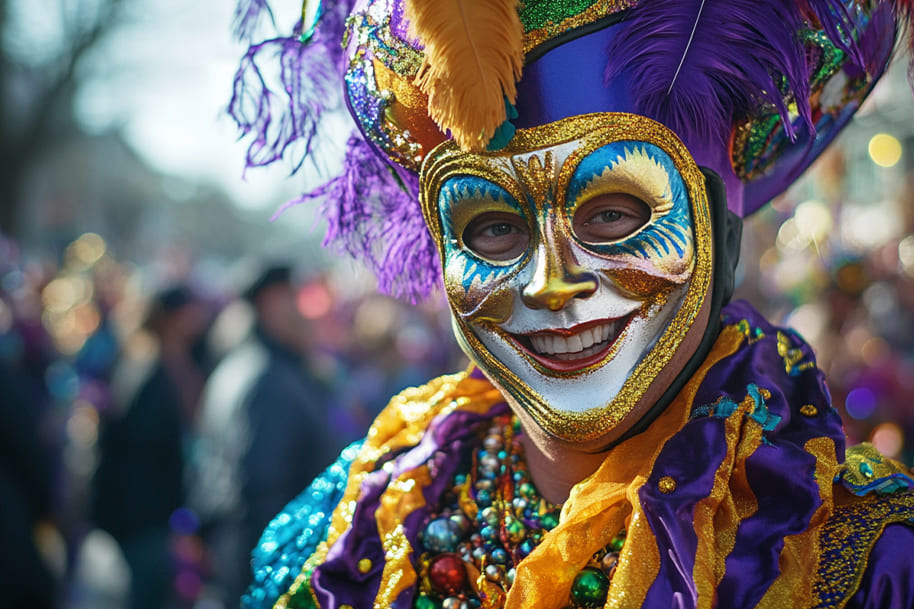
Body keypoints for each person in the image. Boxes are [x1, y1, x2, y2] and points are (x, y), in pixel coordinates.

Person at [229, 1, 914, 608]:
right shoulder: (359, 533)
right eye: (494, 227)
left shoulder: (871, 559)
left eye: (613, 214)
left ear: (720, 233)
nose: (548, 285)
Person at [191, 264, 341, 607]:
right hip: (266, 571)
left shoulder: (250, 368)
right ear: (273, 303)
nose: (311, 311)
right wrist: (276, 580)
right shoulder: (268, 381)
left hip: (243, 561)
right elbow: (260, 489)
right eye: (298, 297)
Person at [92, 284, 210, 609]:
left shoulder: (173, 361)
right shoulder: (145, 367)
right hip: (145, 514)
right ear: (172, 317)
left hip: (156, 511)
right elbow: (144, 446)